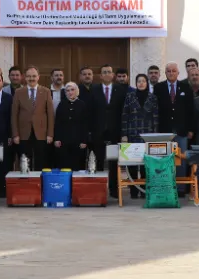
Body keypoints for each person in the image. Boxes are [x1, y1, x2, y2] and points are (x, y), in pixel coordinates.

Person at [121, 73, 159, 198]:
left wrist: (155, 135)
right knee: (132, 163)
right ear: (136, 83)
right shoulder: (130, 97)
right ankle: (133, 190)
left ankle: (144, 190)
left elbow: (155, 117)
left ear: (147, 83)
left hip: (148, 135)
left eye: (143, 81)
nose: (141, 83)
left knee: (145, 164)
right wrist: (124, 134)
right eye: (139, 81)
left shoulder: (152, 97)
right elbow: (125, 116)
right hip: (132, 134)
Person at [91, 64, 127, 195]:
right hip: (98, 130)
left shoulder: (120, 90)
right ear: (101, 76)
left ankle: (114, 190)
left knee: (114, 161)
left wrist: (123, 132)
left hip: (115, 130)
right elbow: (90, 111)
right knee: (99, 160)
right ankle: (99, 190)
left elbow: (123, 112)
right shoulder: (94, 89)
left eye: (109, 72)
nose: (107, 74)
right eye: (104, 72)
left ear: (113, 75)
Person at [11, 66, 55, 170]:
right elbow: (14, 115)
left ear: (38, 77)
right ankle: (26, 179)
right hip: (24, 133)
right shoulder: (18, 92)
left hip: (41, 133)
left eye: (34, 76)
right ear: (25, 77)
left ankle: (40, 180)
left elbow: (50, 114)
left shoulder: (46, 91)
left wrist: (50, 134)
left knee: (41, 160)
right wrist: (15, 134)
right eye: (29, 76)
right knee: (25, 162)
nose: (31, 78)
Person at [54, 82, 91, 171]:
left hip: (78, 141)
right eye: (67, 90)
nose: (70, 92)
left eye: (72, 90)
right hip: (64, 141)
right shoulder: (61, 104)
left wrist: (84, 140)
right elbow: (57, 123)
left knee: (78, 166)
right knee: (64, 165)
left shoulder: (82, 104)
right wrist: (57, 139)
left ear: (77, 91)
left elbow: (85, 124)